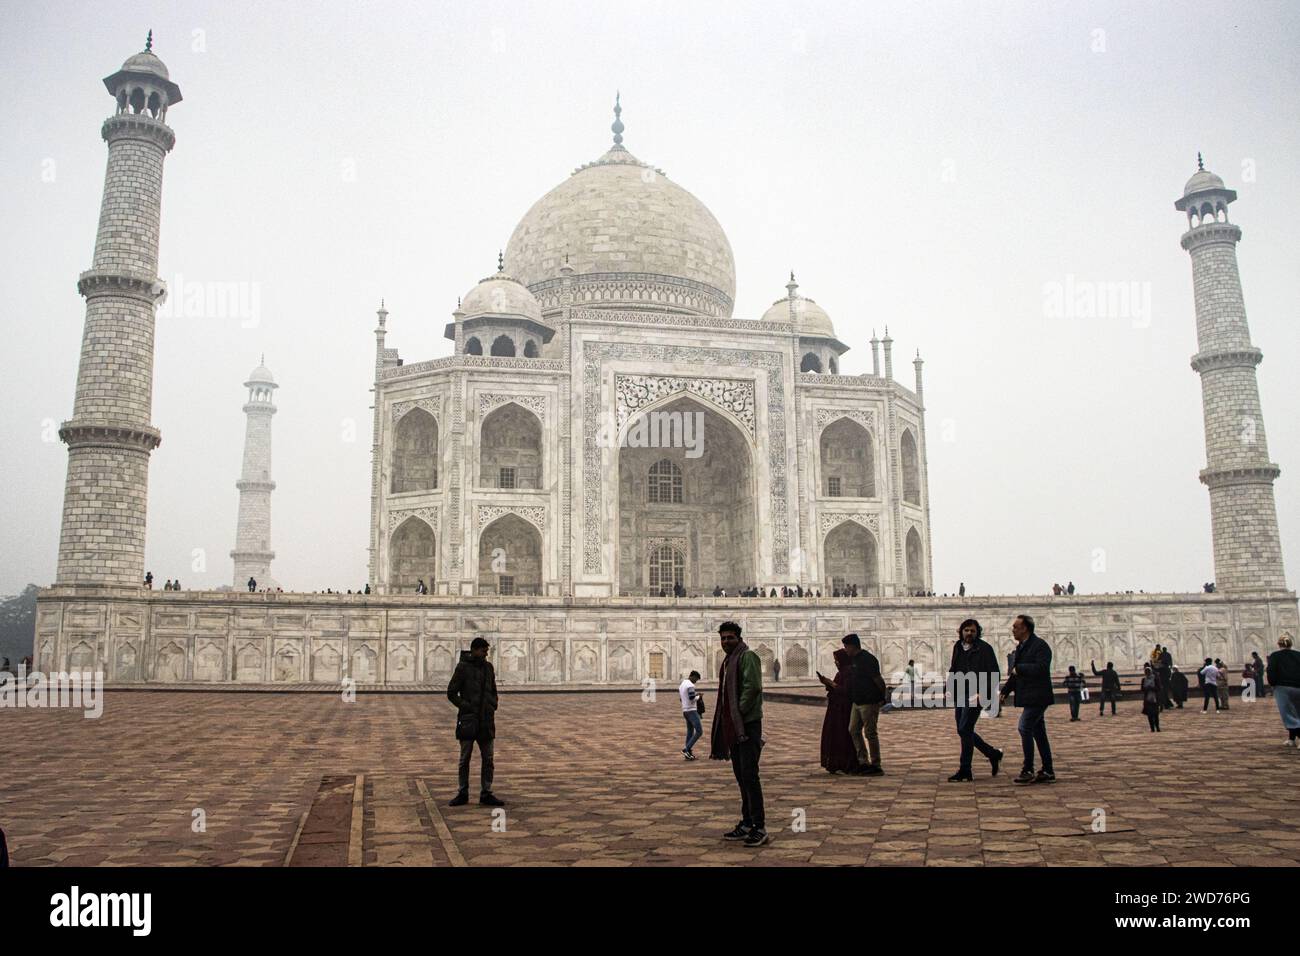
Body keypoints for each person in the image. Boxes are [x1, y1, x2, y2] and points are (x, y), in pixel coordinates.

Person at [710, 621, 768, 847]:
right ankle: (746, 822)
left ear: (739, 638)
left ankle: (759, 826)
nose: (726, 642)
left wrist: (738, 714)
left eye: (730, 638)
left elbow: (753, 688)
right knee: (741, 775)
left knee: (750, 775)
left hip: (747, 724)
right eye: (723, 638)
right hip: (735, 726)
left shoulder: (748, 657)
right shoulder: (729, 661)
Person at [446, 637, 504, 807]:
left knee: (488, 758)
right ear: (475, 650)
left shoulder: (488, 668)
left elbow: (493, 689)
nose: (486, 654)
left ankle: (486, 792)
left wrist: (492, 704)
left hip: (486, 720)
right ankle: (462, 792)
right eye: (484, 651)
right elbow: (451, 692)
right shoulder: (463, 668)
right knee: (465, 758)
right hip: (469, 720)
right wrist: (466, 707)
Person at [999, 614, 1055, 784]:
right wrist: (1005, 691)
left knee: (1024, 728)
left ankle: (1028, 769)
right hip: (1030, 696)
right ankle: (1047, 770)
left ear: (1025, 628)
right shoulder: (1022, 647)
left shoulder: (1040, 646)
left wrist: (1020, 668)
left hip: (1038, 696)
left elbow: (1042, 668)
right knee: (1039, 734)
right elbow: (1016, 674)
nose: (1013, 630)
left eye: (1015, 627)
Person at [946, 618, 1002, 782]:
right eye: (966, 630)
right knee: (963, 730)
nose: (969, 633)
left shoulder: (984, 649)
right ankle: (993, 754)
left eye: (972, 631)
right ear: (961, 631)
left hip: (976, 695)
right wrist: (949, 688)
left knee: (965, 728)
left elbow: (994, 673)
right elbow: (954, 668)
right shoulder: (958, 647)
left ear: (977, 633)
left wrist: (982, 693)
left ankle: (965, 770)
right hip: (960, 693)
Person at [842, 633, 886, 775]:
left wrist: (882, 697)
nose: (845, 650)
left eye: (846, 647)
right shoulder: (854, 660)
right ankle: (863, 761)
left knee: (870, 733)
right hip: (857, 702)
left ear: (853, 646)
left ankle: (876, 765)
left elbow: (878, 680)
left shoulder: (867, 659)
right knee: (853, 730)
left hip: (869, 702)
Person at [817, 650, 858, 774]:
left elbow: (845, 690)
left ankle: (846, 763)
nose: (836, 662)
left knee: (842, 735)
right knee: (835, 735)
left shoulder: (848, 673)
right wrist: (827, 683)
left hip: (843, 710)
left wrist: (831, 684)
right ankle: (836, 763)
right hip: (836, 709)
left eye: (837, 660)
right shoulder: (841, 673)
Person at [1265, 636, 1300, 746]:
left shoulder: (1275, 656)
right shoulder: (1298, 654)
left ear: (1279, 644)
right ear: (1290, 644)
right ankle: (1292, 739)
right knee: (1298, 713)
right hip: (1298, 687)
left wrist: (1272, 683)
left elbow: (1271, 671)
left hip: (1282, 687)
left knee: (1288, 715)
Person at [679, 670, 704, 760]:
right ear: (692, 676)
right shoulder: (690, 685)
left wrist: (695, 695)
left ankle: (688, 754)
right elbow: (692, 698)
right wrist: (699, 697)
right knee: (699, 731)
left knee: (690, 732)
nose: (695, 681)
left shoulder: (682, 685)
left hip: (685, 710)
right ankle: (686, 749)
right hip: (691, 711)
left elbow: (682, 699)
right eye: (696, 679)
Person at [1140, 663, 1161, 732]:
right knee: (1149, 714)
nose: (1147, 673)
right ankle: (1152, 728)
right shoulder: (1144, 680)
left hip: (1154, 698)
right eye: (1146, 672)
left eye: (1148, 672)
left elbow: (1159, 688)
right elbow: (1142, 689)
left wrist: (1152, 688)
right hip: (1147, 699)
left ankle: (1157, 727)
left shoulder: (1155, 679)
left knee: (1155, 714)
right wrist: (1146, 688)